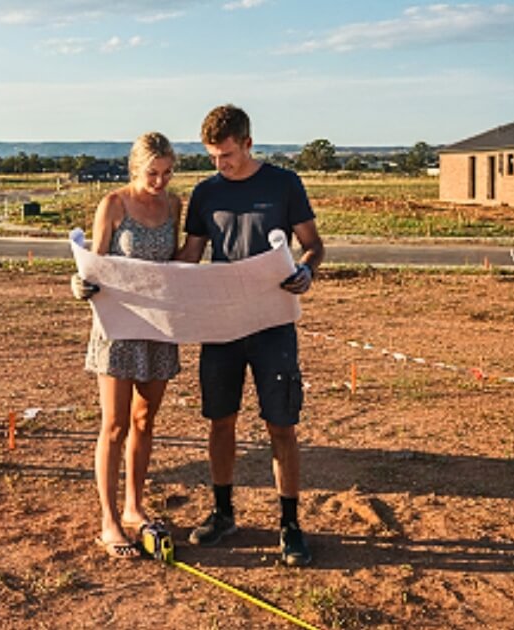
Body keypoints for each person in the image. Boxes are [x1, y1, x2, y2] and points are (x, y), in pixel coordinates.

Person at [175, 104, 324, 567]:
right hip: (221, 325)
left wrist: (306, 270)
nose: (221, 165)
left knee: (281, 425)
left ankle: (290, 523)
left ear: (248, 144)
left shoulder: (284, 185)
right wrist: (126, 276)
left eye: (228, 156)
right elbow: (190, 257)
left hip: (273, 326)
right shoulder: (205, 194)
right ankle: (223, 514)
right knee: (220, 420)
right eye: (213, 157)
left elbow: (314, 245)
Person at [71, 131, 183, 559]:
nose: (160, 181)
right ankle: (109, 520)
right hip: (117, 326)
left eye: (168, 173)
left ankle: (134, 507)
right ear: (134, 168)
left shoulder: (174, 204)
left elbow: (175, 262)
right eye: (152, 173)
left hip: (158, 326)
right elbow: (93, 263)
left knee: (144, 419)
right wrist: (78, 284)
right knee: (114, 425)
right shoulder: (113, 204)